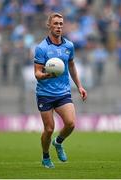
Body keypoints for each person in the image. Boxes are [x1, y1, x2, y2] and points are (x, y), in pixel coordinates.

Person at [34, 12, 87, 168]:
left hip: (63, 92)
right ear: (49, 25)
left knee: (70, 124)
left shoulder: (68, 46)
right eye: (55, 24)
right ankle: (45, 157)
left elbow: (71, 65)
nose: (58, 27)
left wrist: (80, 86)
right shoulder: (41, 48)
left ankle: (58, 143)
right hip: (45, 94)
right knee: (49, 129)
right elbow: (37, 73)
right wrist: (48, 75)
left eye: (61, 24)